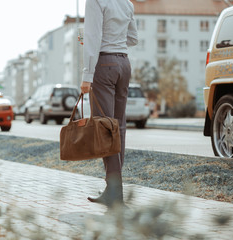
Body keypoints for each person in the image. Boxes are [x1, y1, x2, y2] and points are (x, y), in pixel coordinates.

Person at [80, 0, 138, 208]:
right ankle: (112, 188)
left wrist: (87, 75)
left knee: (105, 129)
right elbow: (132, 38)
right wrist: (114, 40)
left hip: (104, 66)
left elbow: (92, 37)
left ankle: (114, 191)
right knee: (118, 128)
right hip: (124, 64)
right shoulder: (127, 3)